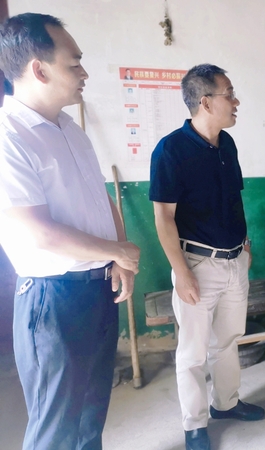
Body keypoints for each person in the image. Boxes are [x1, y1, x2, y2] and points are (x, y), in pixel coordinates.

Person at [0, 13, 141, 449]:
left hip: (97, 288)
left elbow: (101, 199)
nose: (84, 73)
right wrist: (116, 251)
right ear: (39, 70)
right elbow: (36, 232)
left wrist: (118, 256)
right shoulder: (9, 136)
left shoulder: (70, 129)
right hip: (52, 299)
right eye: (74, 63)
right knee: (56, 427)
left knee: (90, 414)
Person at [150, 64, 264, 450]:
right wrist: (181, 272)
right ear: (206, 102)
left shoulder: (226, 144)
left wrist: (245, 245)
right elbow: (164, 218)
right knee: (193, 352)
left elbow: (233, 199)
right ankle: (195, 424)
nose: (236, 101)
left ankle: (226, 403)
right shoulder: (171, 150)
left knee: (228, 340)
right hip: (197, 264)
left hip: (234, 260)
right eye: (229, 94)